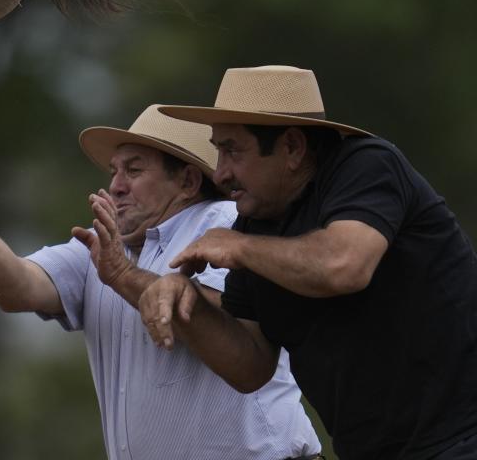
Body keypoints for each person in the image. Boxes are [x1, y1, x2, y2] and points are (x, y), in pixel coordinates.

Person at [0, 105, 320, 459]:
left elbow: (209, 314)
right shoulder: (105, 251)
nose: (116, 185)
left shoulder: (221, 222)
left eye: (134, 170)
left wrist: (123, 276)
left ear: (189, 182)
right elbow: (17, 286)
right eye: (114, 171)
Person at [141, 65, 477, 460]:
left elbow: (345, 266)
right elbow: (250, 367)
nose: (220, 172)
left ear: (293, 147)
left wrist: (239, 248)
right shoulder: (255, 223)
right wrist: (185, 299)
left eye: (232, 150)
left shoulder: (367, 164)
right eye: (218, 151)